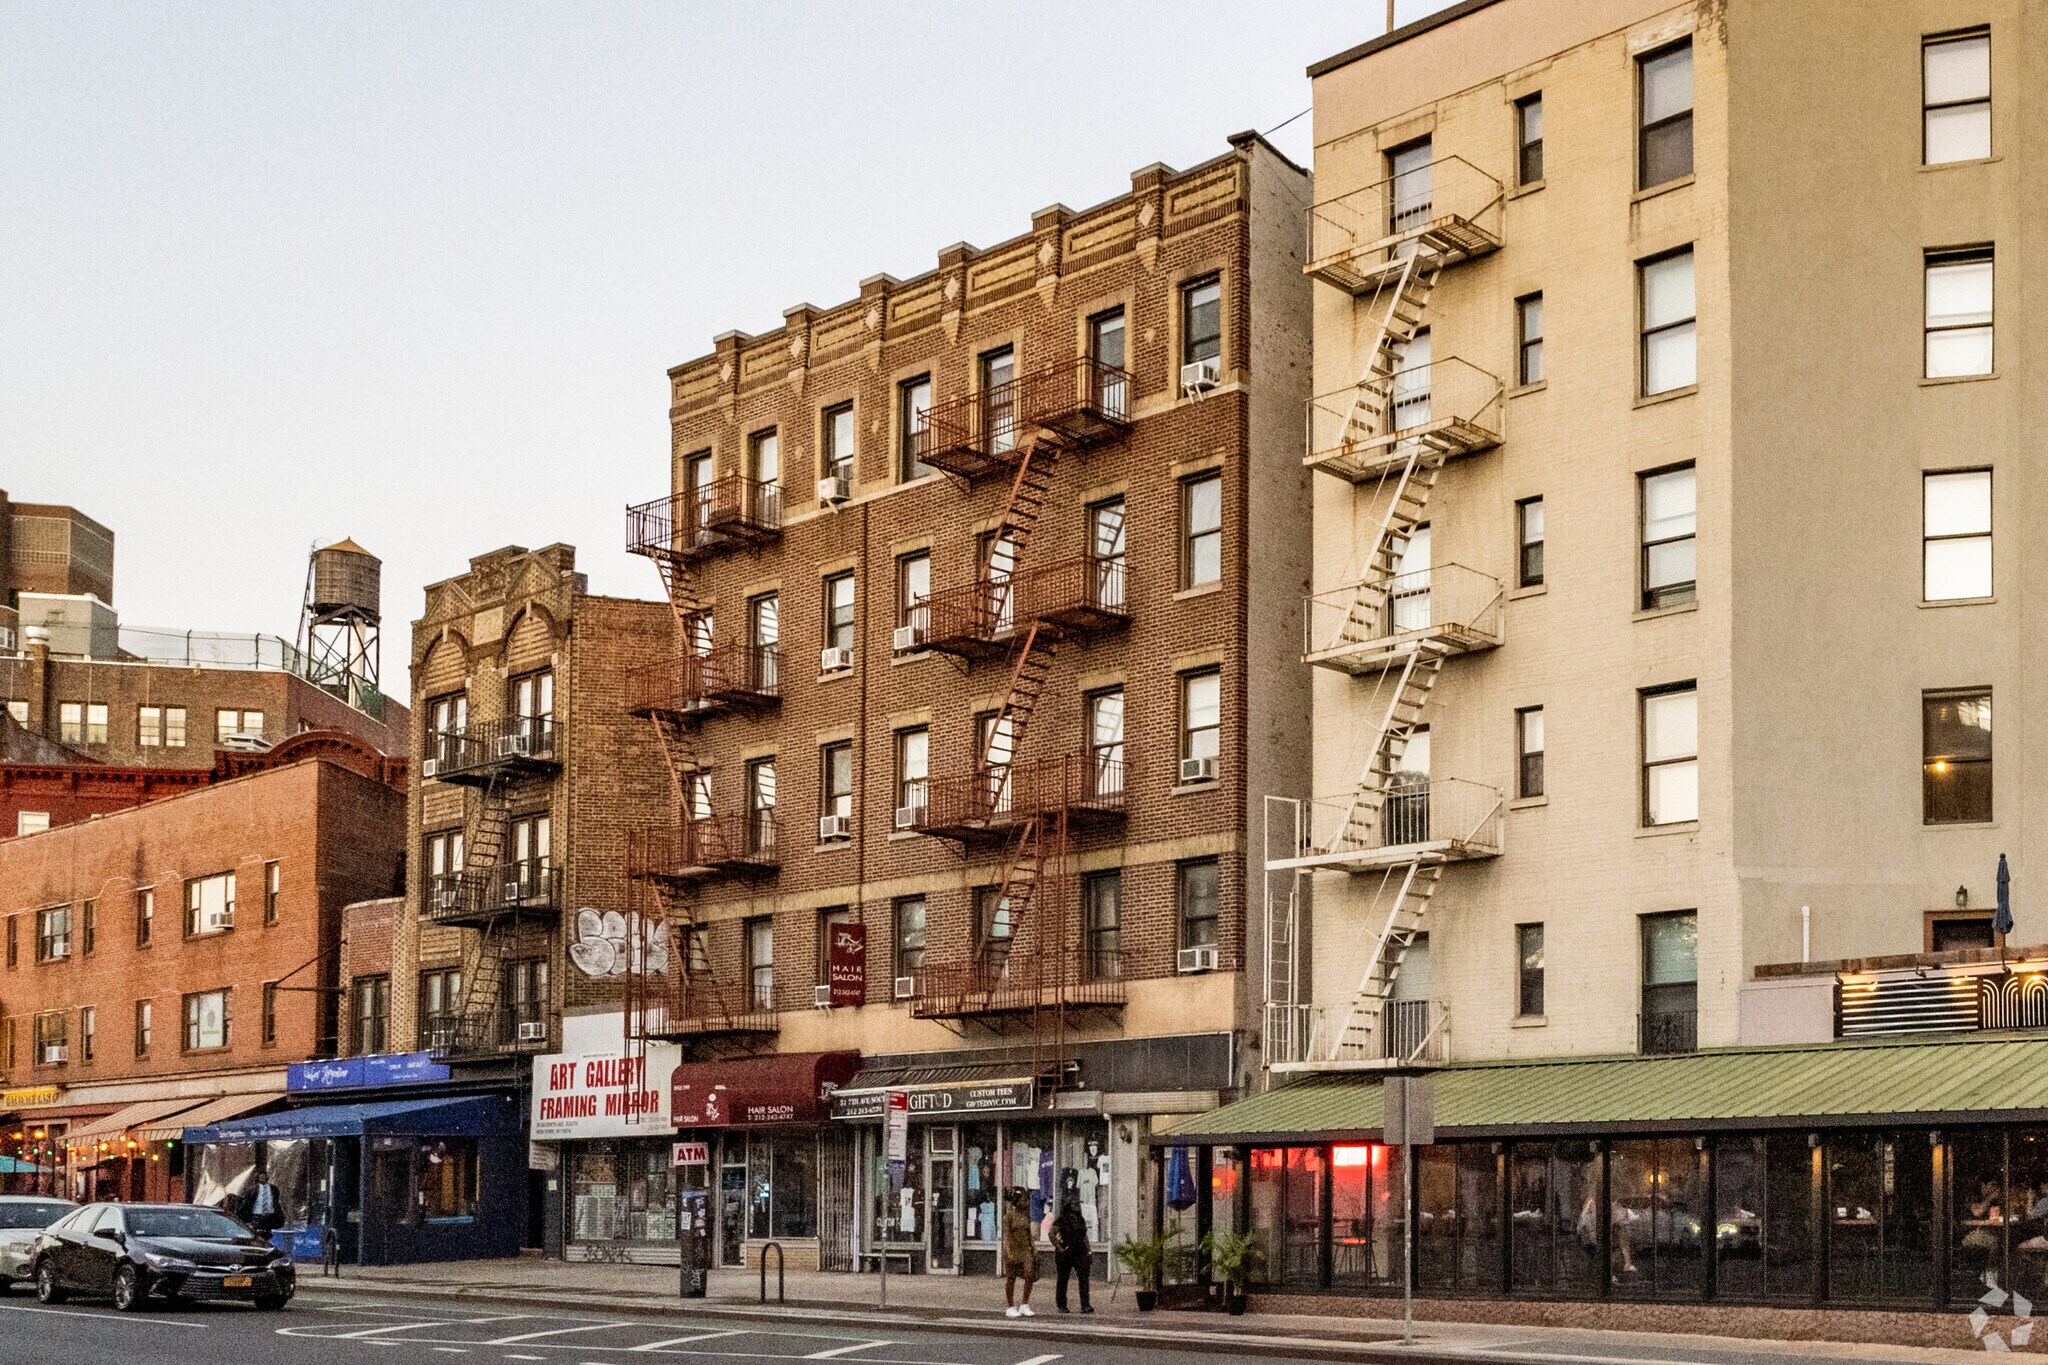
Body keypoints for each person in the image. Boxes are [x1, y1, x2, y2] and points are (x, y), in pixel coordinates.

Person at [1051, 1194, 1092, 1314]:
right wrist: (1058, 1246)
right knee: (1063, 1279)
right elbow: (1051, 1233)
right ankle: (1062, 1305)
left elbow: (1084, 1236)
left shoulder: (1080, 1219)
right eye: (1074, 1204)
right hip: (1066, 1251)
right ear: (1068, 1206)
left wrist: (1089, 1251)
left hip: (1080, 1250)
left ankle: (1085, 1304)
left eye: (1077, 1204)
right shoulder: (1062, 1218)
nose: (1077, 1207)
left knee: (1084, 1278)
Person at [1002, 1188, 1037, 1318]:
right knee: (1011, 1278)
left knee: (1029, 1275)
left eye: (1026, 1200)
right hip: (1013, 1249)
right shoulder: (1009, 1217)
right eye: (1023, 1200)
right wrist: (1008, 1251)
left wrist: (1033, 1247)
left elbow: (1029, 1234)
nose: (1026, 1202)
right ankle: (1010, 1306)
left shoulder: (1025, 1216)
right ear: (1017, 1202)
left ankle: (1024, 1304)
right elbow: (1006, 1235)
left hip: (1025, 1250)